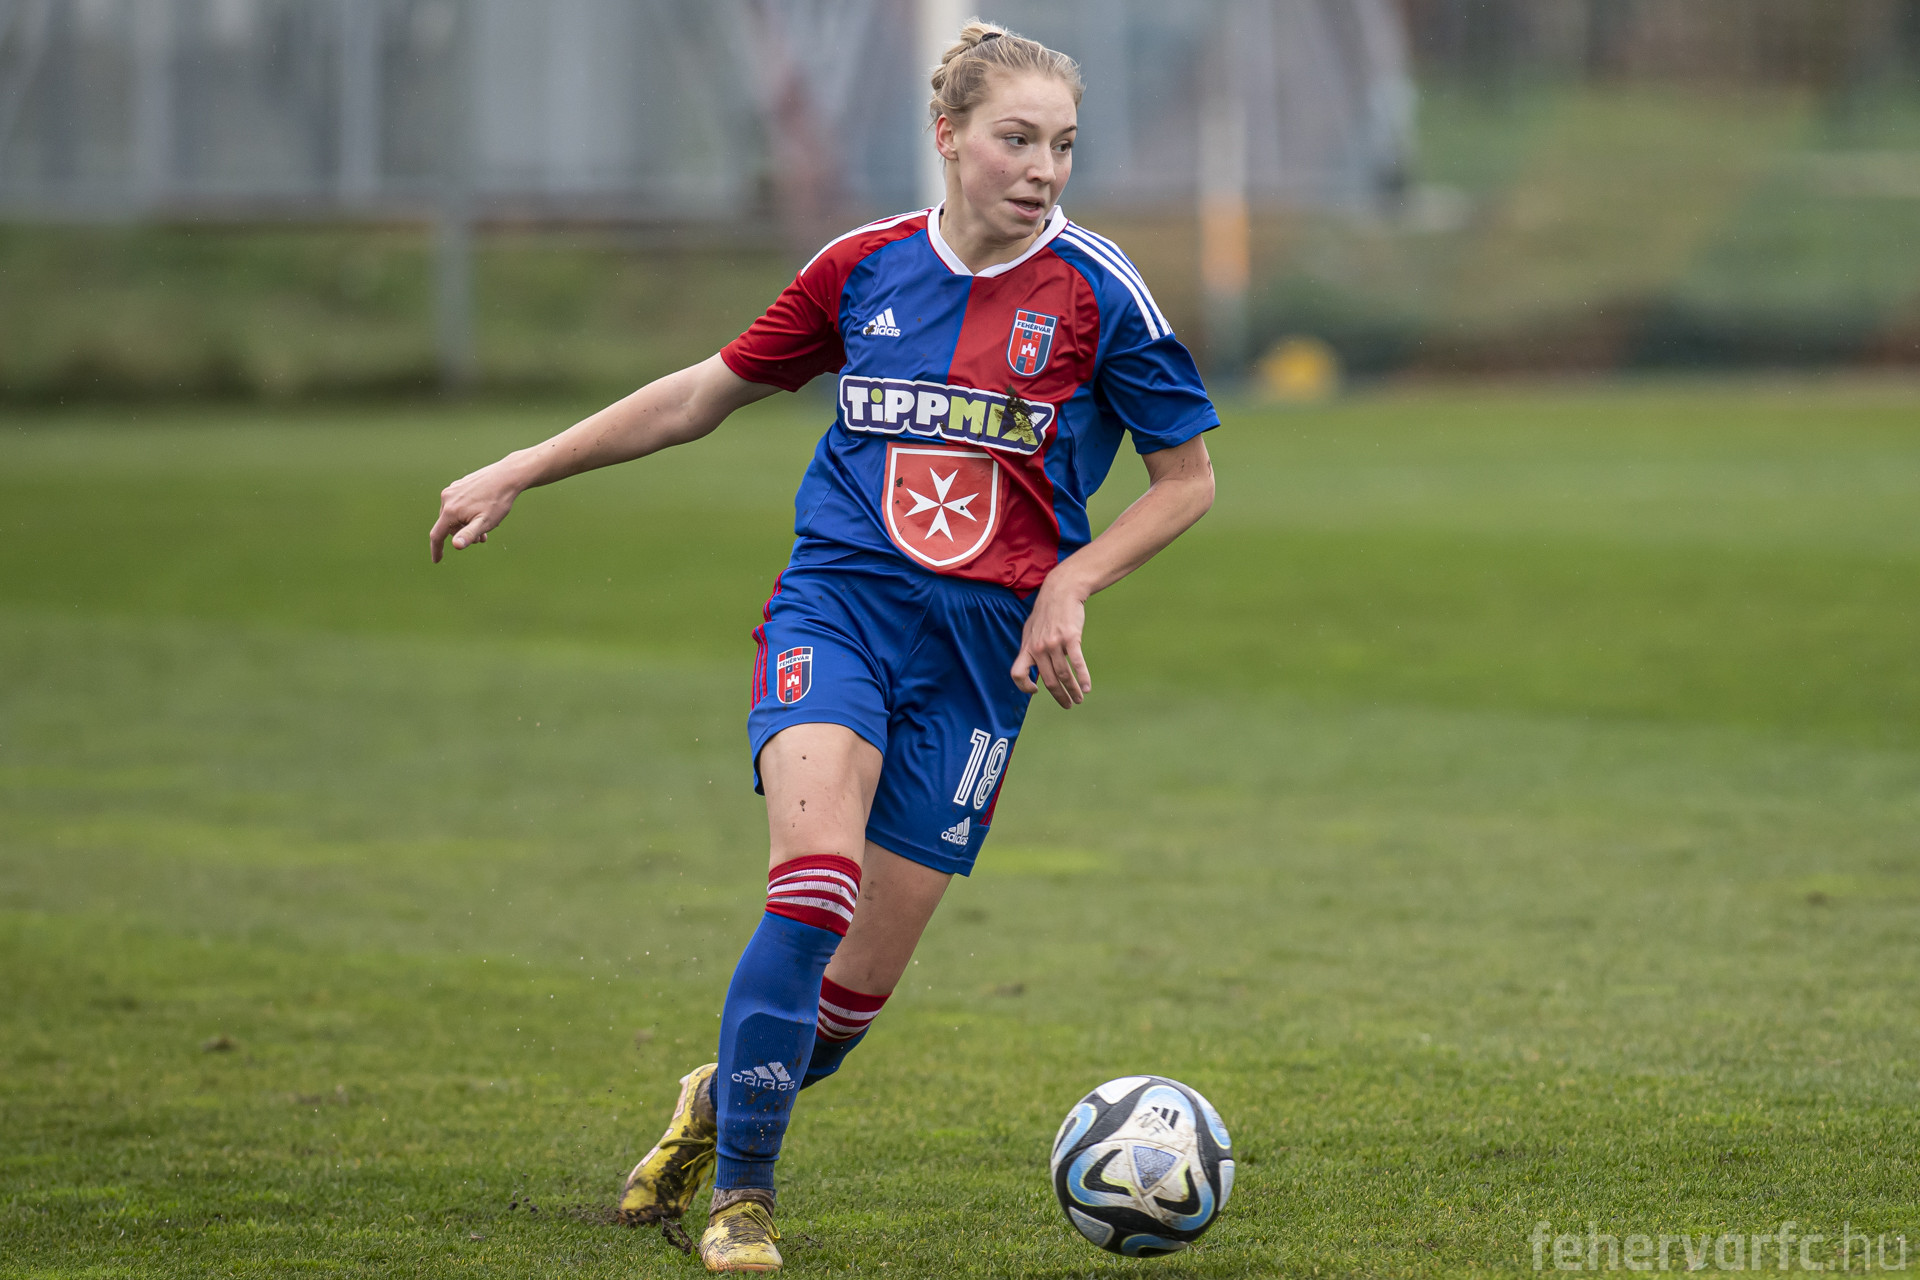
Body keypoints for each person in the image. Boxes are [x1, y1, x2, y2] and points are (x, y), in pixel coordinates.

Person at [429, 19, 1218, 1273]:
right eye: (1016, 140)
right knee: (812, 884)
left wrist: (1071, 580)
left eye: (1063, 146)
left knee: (843, 1011)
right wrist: (523, 464)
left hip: (982, 661)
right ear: (948, 135)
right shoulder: (862, 267)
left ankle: (716, 1096)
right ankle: (744, 1195)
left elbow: (1187, 479)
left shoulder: (1101, 292)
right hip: (837, 609)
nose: (1042, 170)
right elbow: (702, 394)